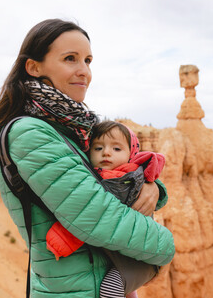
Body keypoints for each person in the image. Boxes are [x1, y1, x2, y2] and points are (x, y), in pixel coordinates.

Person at [0, 19, 175, 298]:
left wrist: (153, 189)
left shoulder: (71, 130)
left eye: (88, 60)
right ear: (34, 67)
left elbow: (112, 178)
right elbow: (94, 216)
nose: (83, 71)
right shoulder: (29, 132)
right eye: (70, 59)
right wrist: (166, 246)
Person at [46, 120, 166, 298]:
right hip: (125, 253)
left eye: (116, 149)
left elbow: (92, 214)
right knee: (125, 288)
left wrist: (61, 239)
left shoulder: (119, 181)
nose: (106, 152)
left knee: (110, 289)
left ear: (131, 155)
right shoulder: (110, 176)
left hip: (137, 256)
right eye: (98, 148)